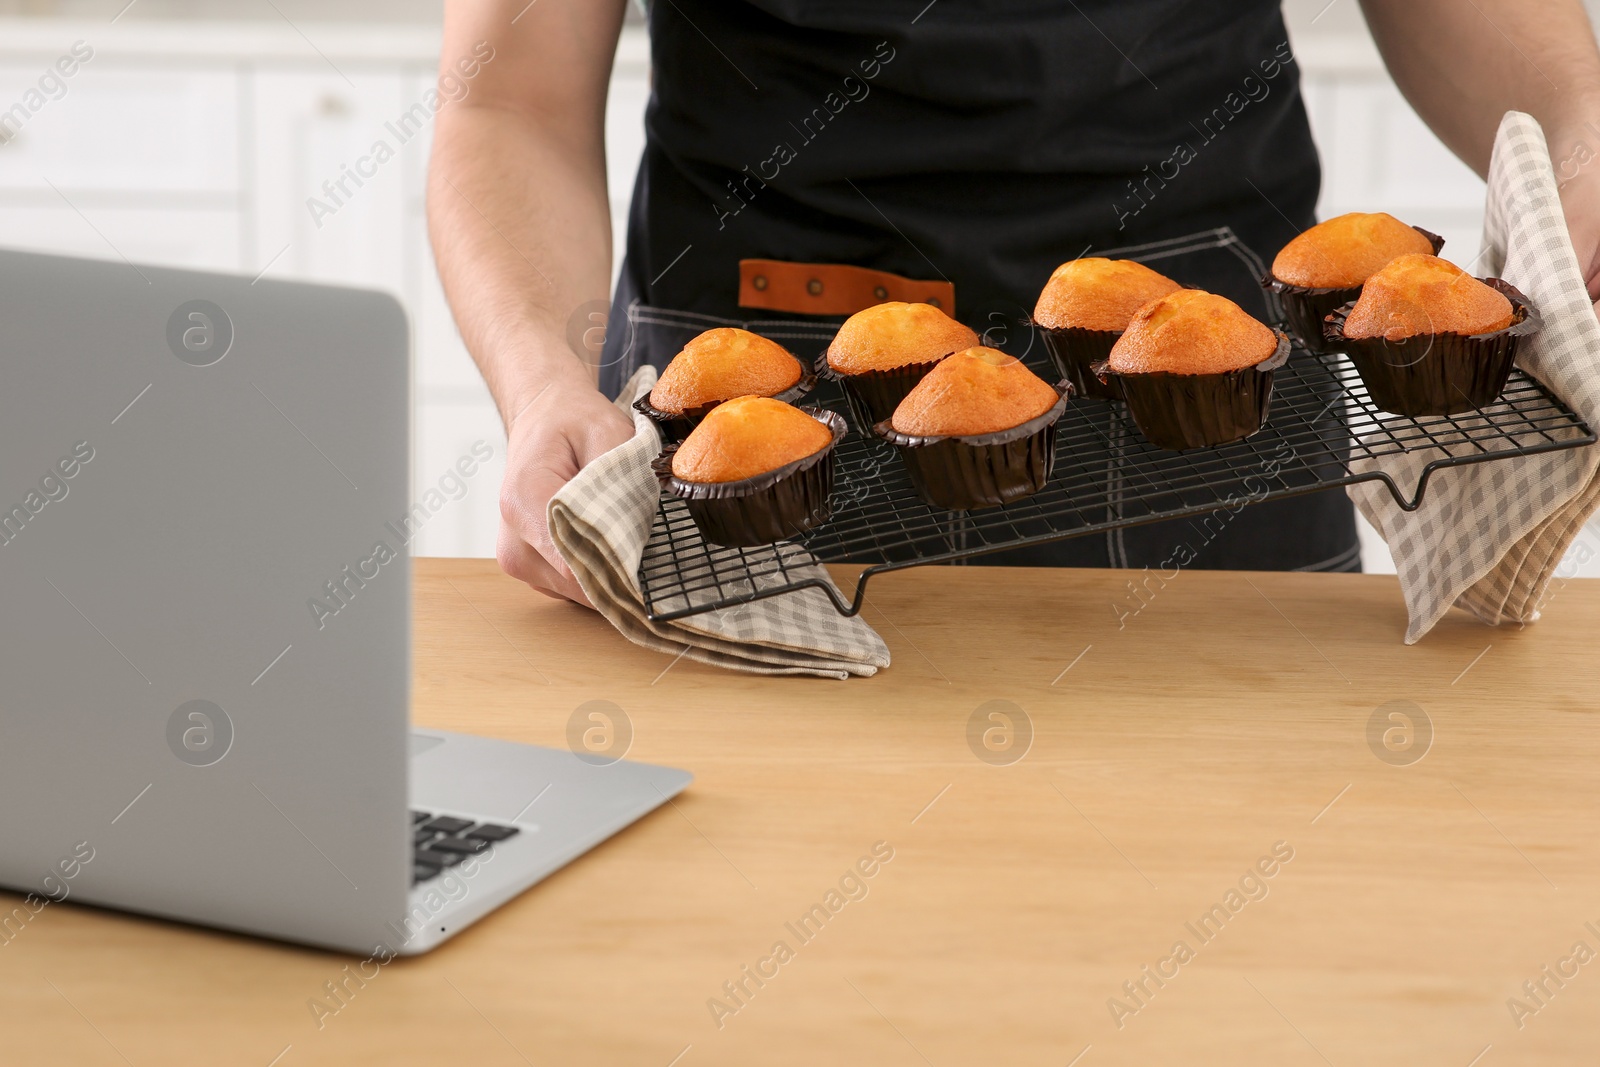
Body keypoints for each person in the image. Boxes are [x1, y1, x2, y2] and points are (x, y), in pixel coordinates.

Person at [429, 0, 1600, 605]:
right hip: (755, 443)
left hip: (1208, 416)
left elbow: (1496, 37)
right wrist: (541, 385)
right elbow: (507, 106)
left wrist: (1582, 128)